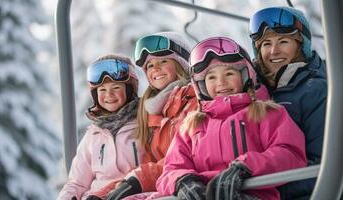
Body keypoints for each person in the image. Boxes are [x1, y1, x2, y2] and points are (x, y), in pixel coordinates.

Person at [156, 36, 307, 200]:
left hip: (250, 193)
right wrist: (182, 181)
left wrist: (246, 167)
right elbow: (171, 169)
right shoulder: (192, 125)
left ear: (244, 76)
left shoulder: (266, 112)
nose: (221, 82)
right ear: (201, 85)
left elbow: (291, 153)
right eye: (211, 77)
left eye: (229, 73)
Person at [88, 32, 198, 200]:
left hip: (188, 184)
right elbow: (146, 166)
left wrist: (139, 180)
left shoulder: (194, 102)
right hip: (165, 187)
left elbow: (186, 157)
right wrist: (102, 195)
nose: (155, 69)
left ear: (181, 65)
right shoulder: (151, 113)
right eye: (150, 66)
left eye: (163, 61)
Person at [249, 6, 327, 199]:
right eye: (266, 44)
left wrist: (264, 192)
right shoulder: (250, 89)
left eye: (283, 42)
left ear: (301, 46)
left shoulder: (316, 91)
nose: (274, 51)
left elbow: (322, 162)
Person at [57, 54, 144, 200]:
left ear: (130, 90)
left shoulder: (145, 122)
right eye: (102, 90)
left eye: (116, 87)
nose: (109, 95)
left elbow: (154, 170)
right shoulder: (94, 134)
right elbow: (77, 183)